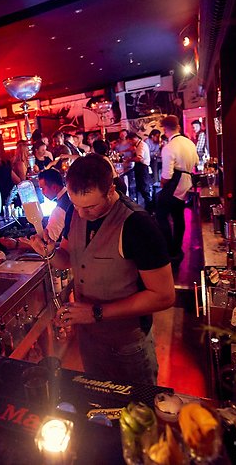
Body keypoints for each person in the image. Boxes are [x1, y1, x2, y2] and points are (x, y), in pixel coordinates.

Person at [22, 155, 174, 385]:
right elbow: (68, 260)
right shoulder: (74, 212)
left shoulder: (137, 225)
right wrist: (49, 252)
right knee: (97, 401)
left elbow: (164, 295)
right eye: (76, 204)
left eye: (91, 206)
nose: (82, 214)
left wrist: (96, 312)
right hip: (89, 339)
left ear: (111, 190)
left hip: (127, 343)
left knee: (136, 405)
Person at [156, 115, 199, 264]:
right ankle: (176, 248)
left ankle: (169, 248)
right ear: (178, 127)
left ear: (165, 129)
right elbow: (196, 161)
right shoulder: (189, 142)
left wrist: (162, 184)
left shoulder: (169, 147)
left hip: (175, 183)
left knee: (161, 215)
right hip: (187, 181)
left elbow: (167, 175)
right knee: (178, 216)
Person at [37, 168, 72, 242]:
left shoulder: (60, 209)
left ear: (54, 187)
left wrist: (17, 243)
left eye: (43, 189)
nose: (42, 193)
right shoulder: (71, 195)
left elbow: (48, 239)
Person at [126, 132, 153, 210]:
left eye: (130, 142)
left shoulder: (141, 145)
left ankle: (150, 209)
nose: (130, 144)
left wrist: (129, 160)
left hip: (143, 168)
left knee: (144, 188)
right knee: (142, 188)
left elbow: (139, 158)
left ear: (133, 139)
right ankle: (147, 206)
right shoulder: (138, 145)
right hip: (140, 167)